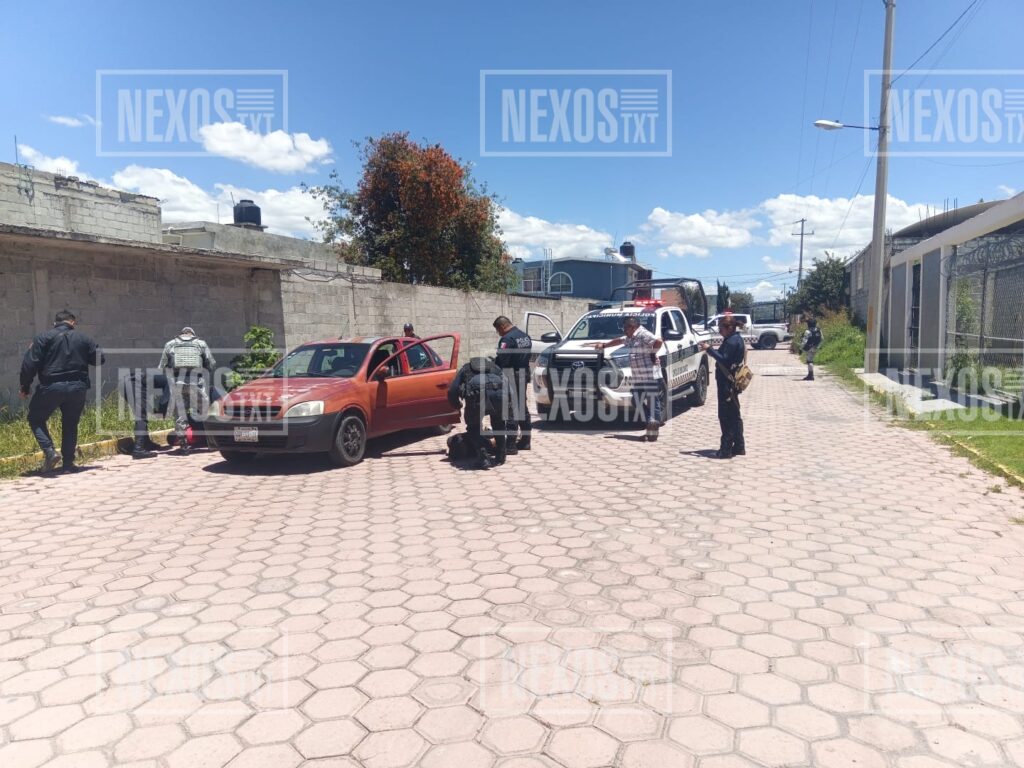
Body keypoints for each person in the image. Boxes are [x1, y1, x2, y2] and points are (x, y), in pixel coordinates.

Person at [19, 310, 105, 473]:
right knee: (70, 424)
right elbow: (99, 359)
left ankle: (50, 452)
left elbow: (29, 364)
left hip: (51, 387)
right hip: (77, 387)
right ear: (73, 322)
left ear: (55, 323)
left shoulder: (42, 338)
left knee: (35, 418)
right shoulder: (84, 338)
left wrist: (25, 386)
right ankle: (68, 464)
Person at [587, 315, 664, 441]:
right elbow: (620, 340)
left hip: (650, 375)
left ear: (632, 327)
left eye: (625, 328)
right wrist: (604, 345)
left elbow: (659, 341)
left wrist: (652, 352)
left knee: (652, 402)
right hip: (639, 376)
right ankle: (651, 422)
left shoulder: (643, 334)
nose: (624, 331)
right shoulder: (631, 337)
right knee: (636, 400)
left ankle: (652, 432)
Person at [447, 356, 512, 469]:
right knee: (499, 424)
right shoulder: (495, 367)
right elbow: (508, 387)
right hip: (498, 397)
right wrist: (509, 405)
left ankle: (483, 457)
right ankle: (501, 454)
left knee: (473, 426)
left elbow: (452, 390)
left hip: (476, 399)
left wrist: (457, 405)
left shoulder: (465, 369)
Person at [159, 326, 216, 455]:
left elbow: (162, 366)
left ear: (181, 334)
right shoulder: (201, 344)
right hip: (197, 383)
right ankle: (211, 443)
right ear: (192, 334)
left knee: (181, 416)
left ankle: (184, 446)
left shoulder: (170, 344)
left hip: (178, 384)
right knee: (206, 412)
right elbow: (211, 364)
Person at [700, 313, 746, 459]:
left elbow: (724, 359)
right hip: (730, 382)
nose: (720, 331)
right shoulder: (735, 339)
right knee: (734, 415)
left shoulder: (732, 341)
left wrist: (709, 349)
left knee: (726, 417)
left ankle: (726, 449)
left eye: (721, 329)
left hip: (727, 383)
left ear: (729, 328)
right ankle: (739, 446)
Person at [493, 315, 532, 452]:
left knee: (511, 409)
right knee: (522, 408)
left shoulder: (507, 339)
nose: (498, 333)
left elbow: (502, 360)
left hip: (512, 376)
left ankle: (510, 445)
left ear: (502, 326)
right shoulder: (525, 336)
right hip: (523, 374)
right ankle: (526, 441)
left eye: (498, 330)